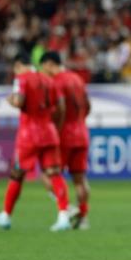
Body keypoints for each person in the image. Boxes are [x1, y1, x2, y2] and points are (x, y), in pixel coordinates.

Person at [0, 53, 71, 231]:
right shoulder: (48, 79)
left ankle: (6, 216)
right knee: (54, 174)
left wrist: (10, 100)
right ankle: (64, 216)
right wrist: (56, 127)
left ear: (18, 65)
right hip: (49, 131)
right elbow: (61, 106)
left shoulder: (21, 78)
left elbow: (19, 101)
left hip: (29, 134)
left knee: (17, 173)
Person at [40, 51, 92, 230]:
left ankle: (67, 208)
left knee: (49, 174)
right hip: (81, 132)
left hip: (63, 135)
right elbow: (88, 105)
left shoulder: (56, 82)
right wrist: (80, 121)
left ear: (48, 64)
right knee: (80, 179)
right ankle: (83, 217)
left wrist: (55, 129)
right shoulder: (77, 79)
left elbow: (58, 110)